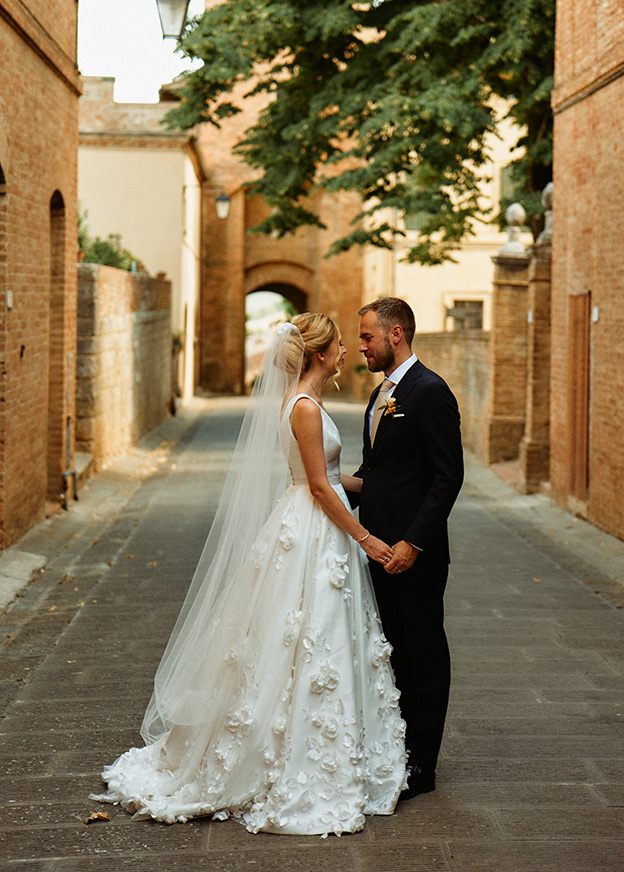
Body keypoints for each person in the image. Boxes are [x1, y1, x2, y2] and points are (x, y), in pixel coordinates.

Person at [91, 314, 406, 835]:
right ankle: (293, 757)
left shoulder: (306, 402)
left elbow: (328, 475)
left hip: (311, 523)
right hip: (313, 526)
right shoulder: (304, 407)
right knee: (304, 636)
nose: (349, 351)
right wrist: (366, 538)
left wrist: (381, 482)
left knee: (307, 636)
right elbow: (320, 488)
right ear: (320, 354)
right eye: (341, 345)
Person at [354, 297, 464, 801]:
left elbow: (448, 477)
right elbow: (376, 474)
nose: (361, 346)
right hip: (377, 550)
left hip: (414, 555)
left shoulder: (430, 391)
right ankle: (395, 750)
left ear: (395, 335)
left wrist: (413, 542)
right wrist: (320, 483)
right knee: (391, 651)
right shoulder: (381, 393)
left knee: (424, 654)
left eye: (367, 337)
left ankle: (423, 766)